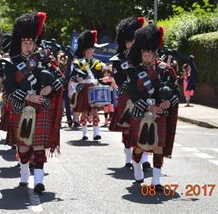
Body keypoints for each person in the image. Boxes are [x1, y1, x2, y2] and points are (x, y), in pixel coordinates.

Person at [2, 11, 64, 194]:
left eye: (31, 42)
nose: (28, 46)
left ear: (35, 43)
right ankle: (23, 170)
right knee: (23, 146)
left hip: (41, 107)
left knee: (38, 146)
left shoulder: (45, 61)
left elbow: (60, 79)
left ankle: (38, 181)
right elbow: (9, 88)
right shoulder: (11, 63)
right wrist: (28, 97)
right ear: (19, 43)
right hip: (22, 106)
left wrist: (50, 89)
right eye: (25, 42)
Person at [126, 25, 179, 191]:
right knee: (139, 146)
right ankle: (136, 165)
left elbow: (175, 91)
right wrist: (149, 106)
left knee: (158, 146)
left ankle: (156, 181)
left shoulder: (166, 70)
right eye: (144, 54)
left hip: (160, 113)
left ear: (156, 53)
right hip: (141, 112)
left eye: (150, 54)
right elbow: (133, 94)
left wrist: (169, 102)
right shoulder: (134, 70)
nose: (147, 57)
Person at [108, 16, 151, 170]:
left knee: (144, 127)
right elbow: (119, 80)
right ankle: (128, 157)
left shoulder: (144, 58)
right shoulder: (118, 59)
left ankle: (144, 158)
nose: (130, 44)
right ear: (123, 42)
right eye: (127, 41)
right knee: (127, 130)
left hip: (143, 96)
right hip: (127, 97)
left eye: (132, 40)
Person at [71, 30, 104, 141]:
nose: (90, 51)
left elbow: (100, 77)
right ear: (84, 50)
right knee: (84, 111)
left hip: (94, 88)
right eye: (88, 49)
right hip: (84, 88)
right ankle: (84, 133)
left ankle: (96, 133)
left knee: (95, 111)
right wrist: (77, 79)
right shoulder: (78, 63)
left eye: (91, 49)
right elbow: (72, 76)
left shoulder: (98, 63)